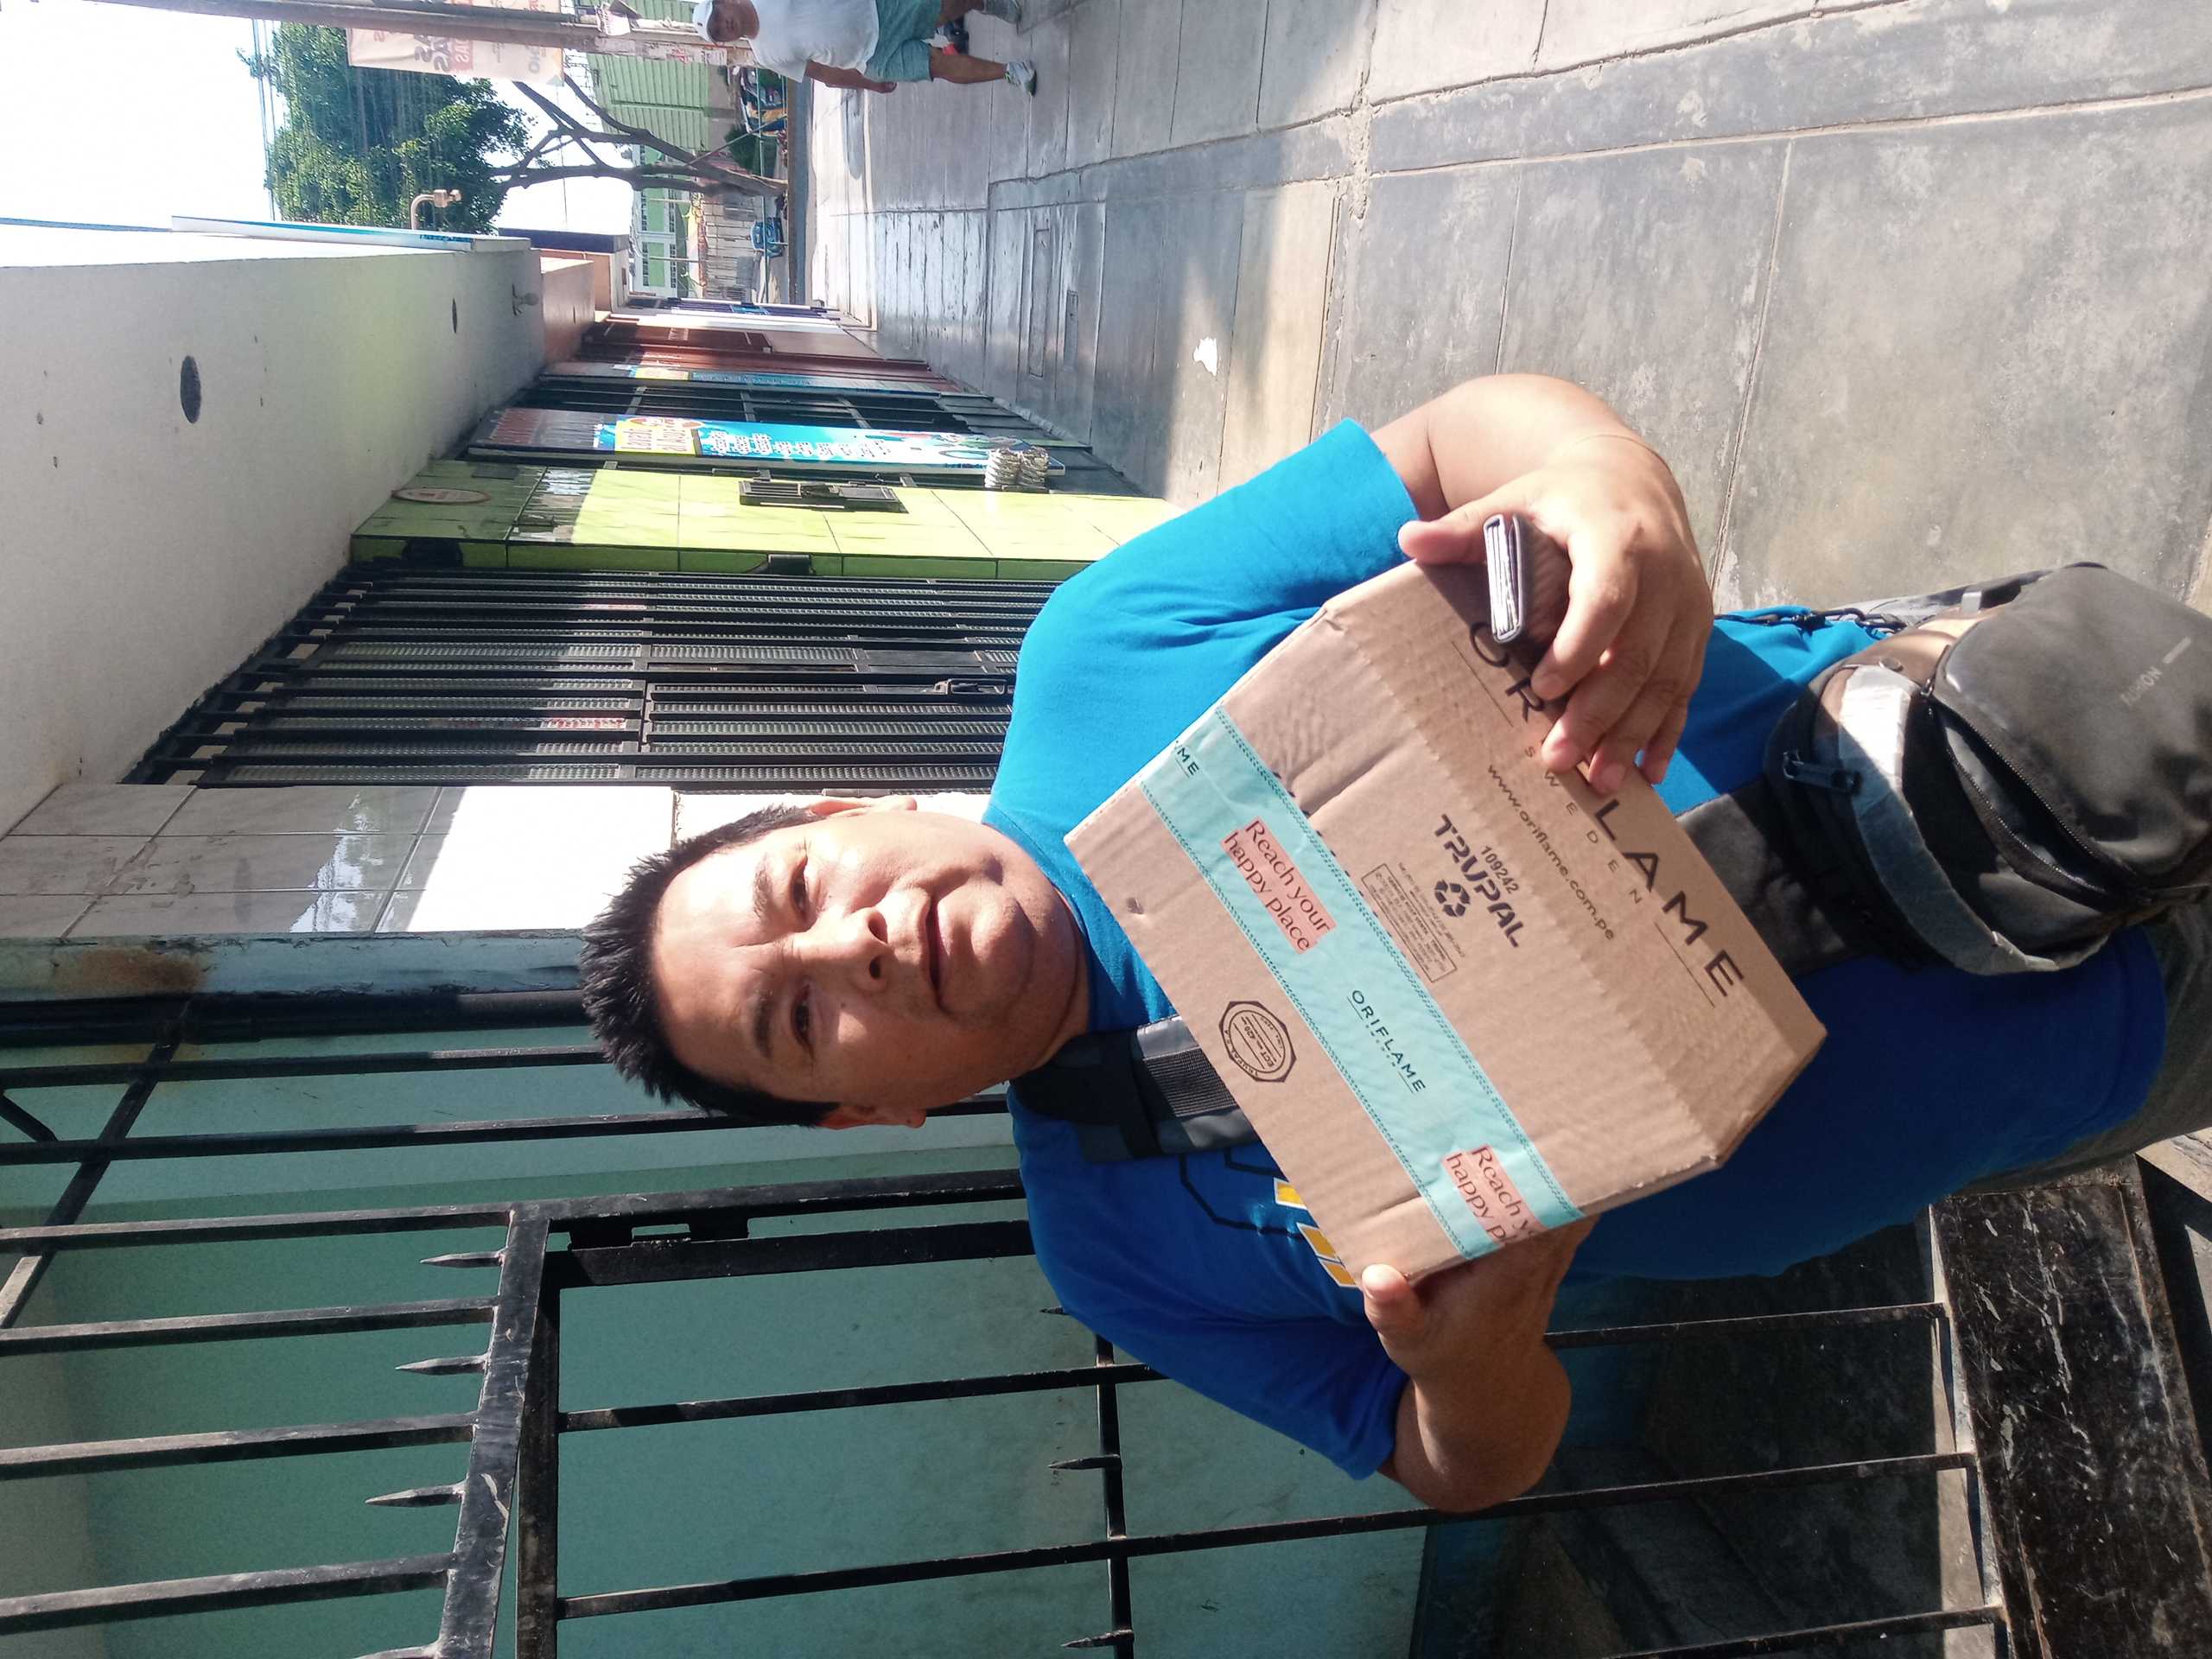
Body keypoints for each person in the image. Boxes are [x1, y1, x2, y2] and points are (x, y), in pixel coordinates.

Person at [581, 373, 2209, 1514]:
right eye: (803, 1022)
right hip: (2095, 1068)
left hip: (2004, 752)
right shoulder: (1117, 1252)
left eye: (805, 891)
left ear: (847, 807)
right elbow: (1458, 1467)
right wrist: (1477, 1360)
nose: (856, 949)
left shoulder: (1104, 651)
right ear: (870, 1113)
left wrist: (1606, 484)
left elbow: (1452, 445)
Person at [695, 0, 1038, 98]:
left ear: (724, 2)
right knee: (938, 66)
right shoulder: (765, 55)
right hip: (873, 59)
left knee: (946, 7)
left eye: (718, 17)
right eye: (717, 32)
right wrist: (869, 83)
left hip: (879, 9)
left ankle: (988, 3)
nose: (724, 26)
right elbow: (822, 73)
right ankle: (1011, 72)